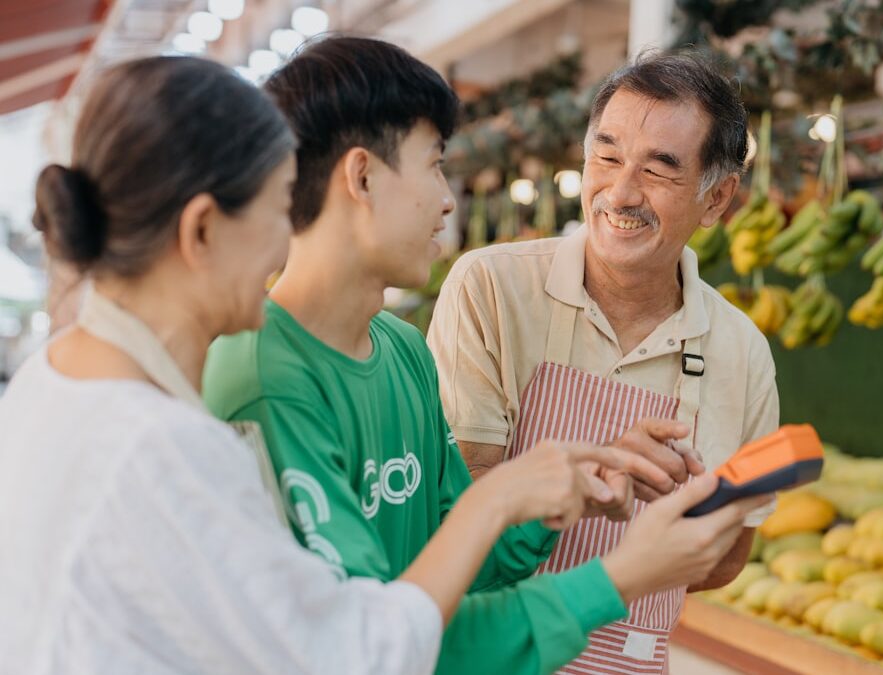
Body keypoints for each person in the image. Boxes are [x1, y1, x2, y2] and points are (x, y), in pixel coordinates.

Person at [0, 55, 646, 674]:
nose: (289, 236)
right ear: (203, 230)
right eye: (279, 206)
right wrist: (600, 556)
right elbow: (354, 655)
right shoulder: (167, 446)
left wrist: (531, 496)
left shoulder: (51, 381)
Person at [202, 36, 768, 675]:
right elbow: (374, 645)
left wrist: (575, 486)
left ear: (716, 198)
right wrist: (616, 576)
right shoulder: (263, 379)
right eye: (434, 164)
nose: (448, 199)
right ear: (361, 176)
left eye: (658, 168)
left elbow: (453, 572)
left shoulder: (402, 350)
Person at [427, 50, 780, 673]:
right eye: (607, 156)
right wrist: (600, 493)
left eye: (660, 170)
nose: (620, 192)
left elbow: (728, 554)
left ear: (717, 198)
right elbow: (456, 506)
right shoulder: (491, 288)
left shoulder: (743, 350)